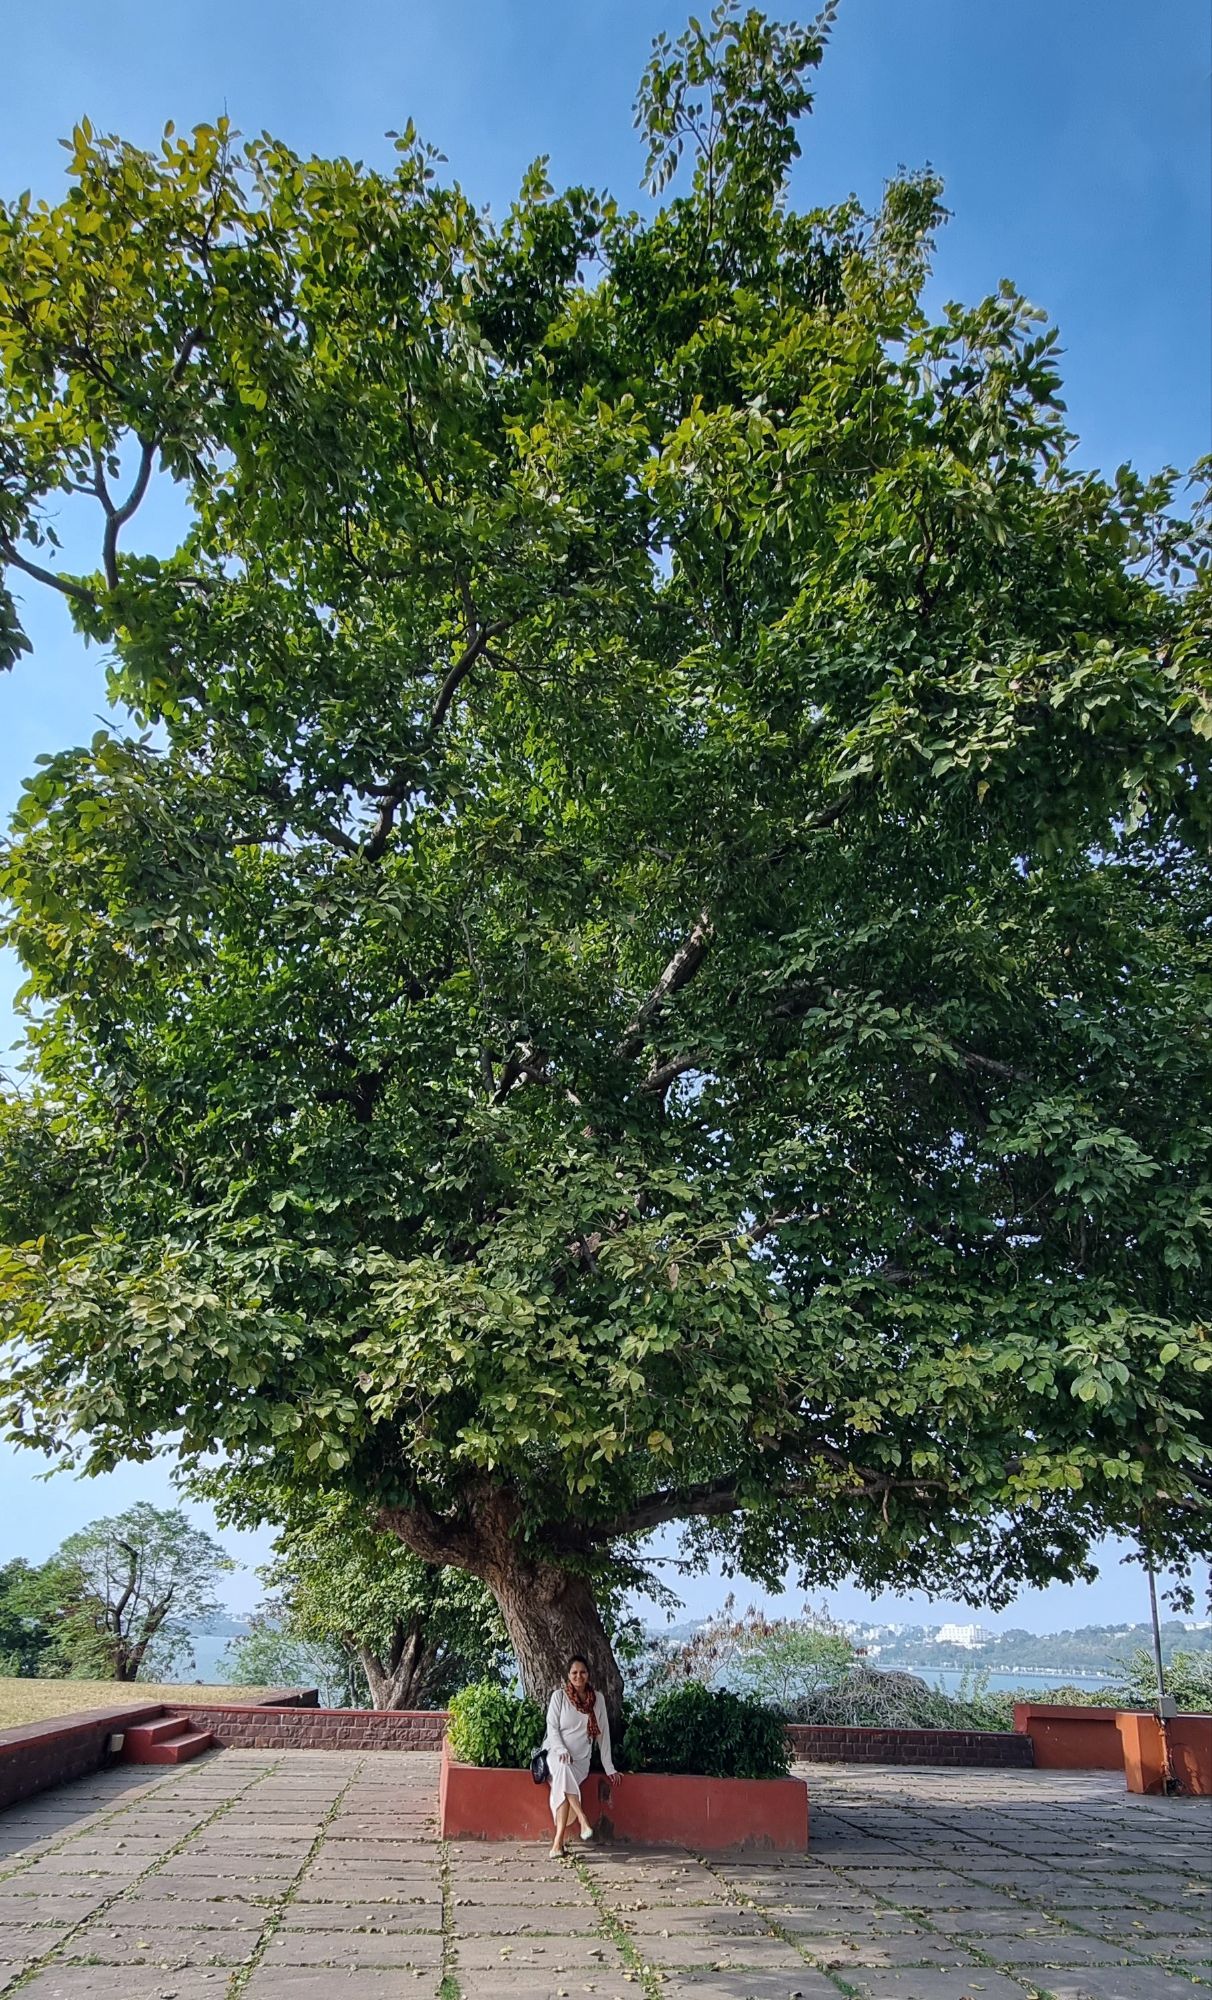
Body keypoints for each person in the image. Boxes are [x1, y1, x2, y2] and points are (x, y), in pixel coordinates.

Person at [544, 1654, 621, 1857]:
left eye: (582, 1672)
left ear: (588, 1674)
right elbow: (552, 1728)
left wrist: (609, 1766)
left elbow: (602, 1734)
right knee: (562, 1768)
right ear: (568, 1675)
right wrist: (561, 1749)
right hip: (557, 1754)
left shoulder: (597, 1700)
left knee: (563, 1780)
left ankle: (558, 1844)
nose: (579, 1676)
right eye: (574, 1673)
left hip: (580, 1759)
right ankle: (581, 1819)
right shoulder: (559, 1697)